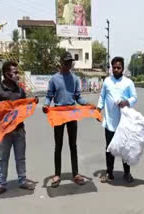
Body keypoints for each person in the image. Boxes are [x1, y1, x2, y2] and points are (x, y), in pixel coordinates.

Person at [0, 61, 38, 198]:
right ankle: (2, 184)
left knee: (21, 157)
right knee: (3, 158)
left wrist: (33, 102)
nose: (17, 75)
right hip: (4, 131)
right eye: (14, 72)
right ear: (7, 74)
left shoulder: (20, 90)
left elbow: (24, 106)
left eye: (17, 72)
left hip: (19, 130)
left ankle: (22, 180)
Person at [43, 51, 93, 188]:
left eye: (70, 62)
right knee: (58, 146)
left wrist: (87, 104)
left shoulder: (75, 79)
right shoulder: (54, 79)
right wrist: (46, 105)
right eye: (66, 62)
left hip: (71, 114)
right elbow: (49, 95)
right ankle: (57, 174)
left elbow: (78, 97)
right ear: (61, 62)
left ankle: (75, 174)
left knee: (73, 145)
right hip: (59, 114)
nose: (68, 64)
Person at [97, 57, 137, 183]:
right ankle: (109, 173)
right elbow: (102, 96)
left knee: (125, 148)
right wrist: (98, 108)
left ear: (123, 69)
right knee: (109, 148)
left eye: (118, 67)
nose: (116, 69)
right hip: (110, 122)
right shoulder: (107, 81)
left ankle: (127, 173)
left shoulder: (128, 82)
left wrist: (126, 102)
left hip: (124, 122)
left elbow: (134, 97)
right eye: (114, 67)